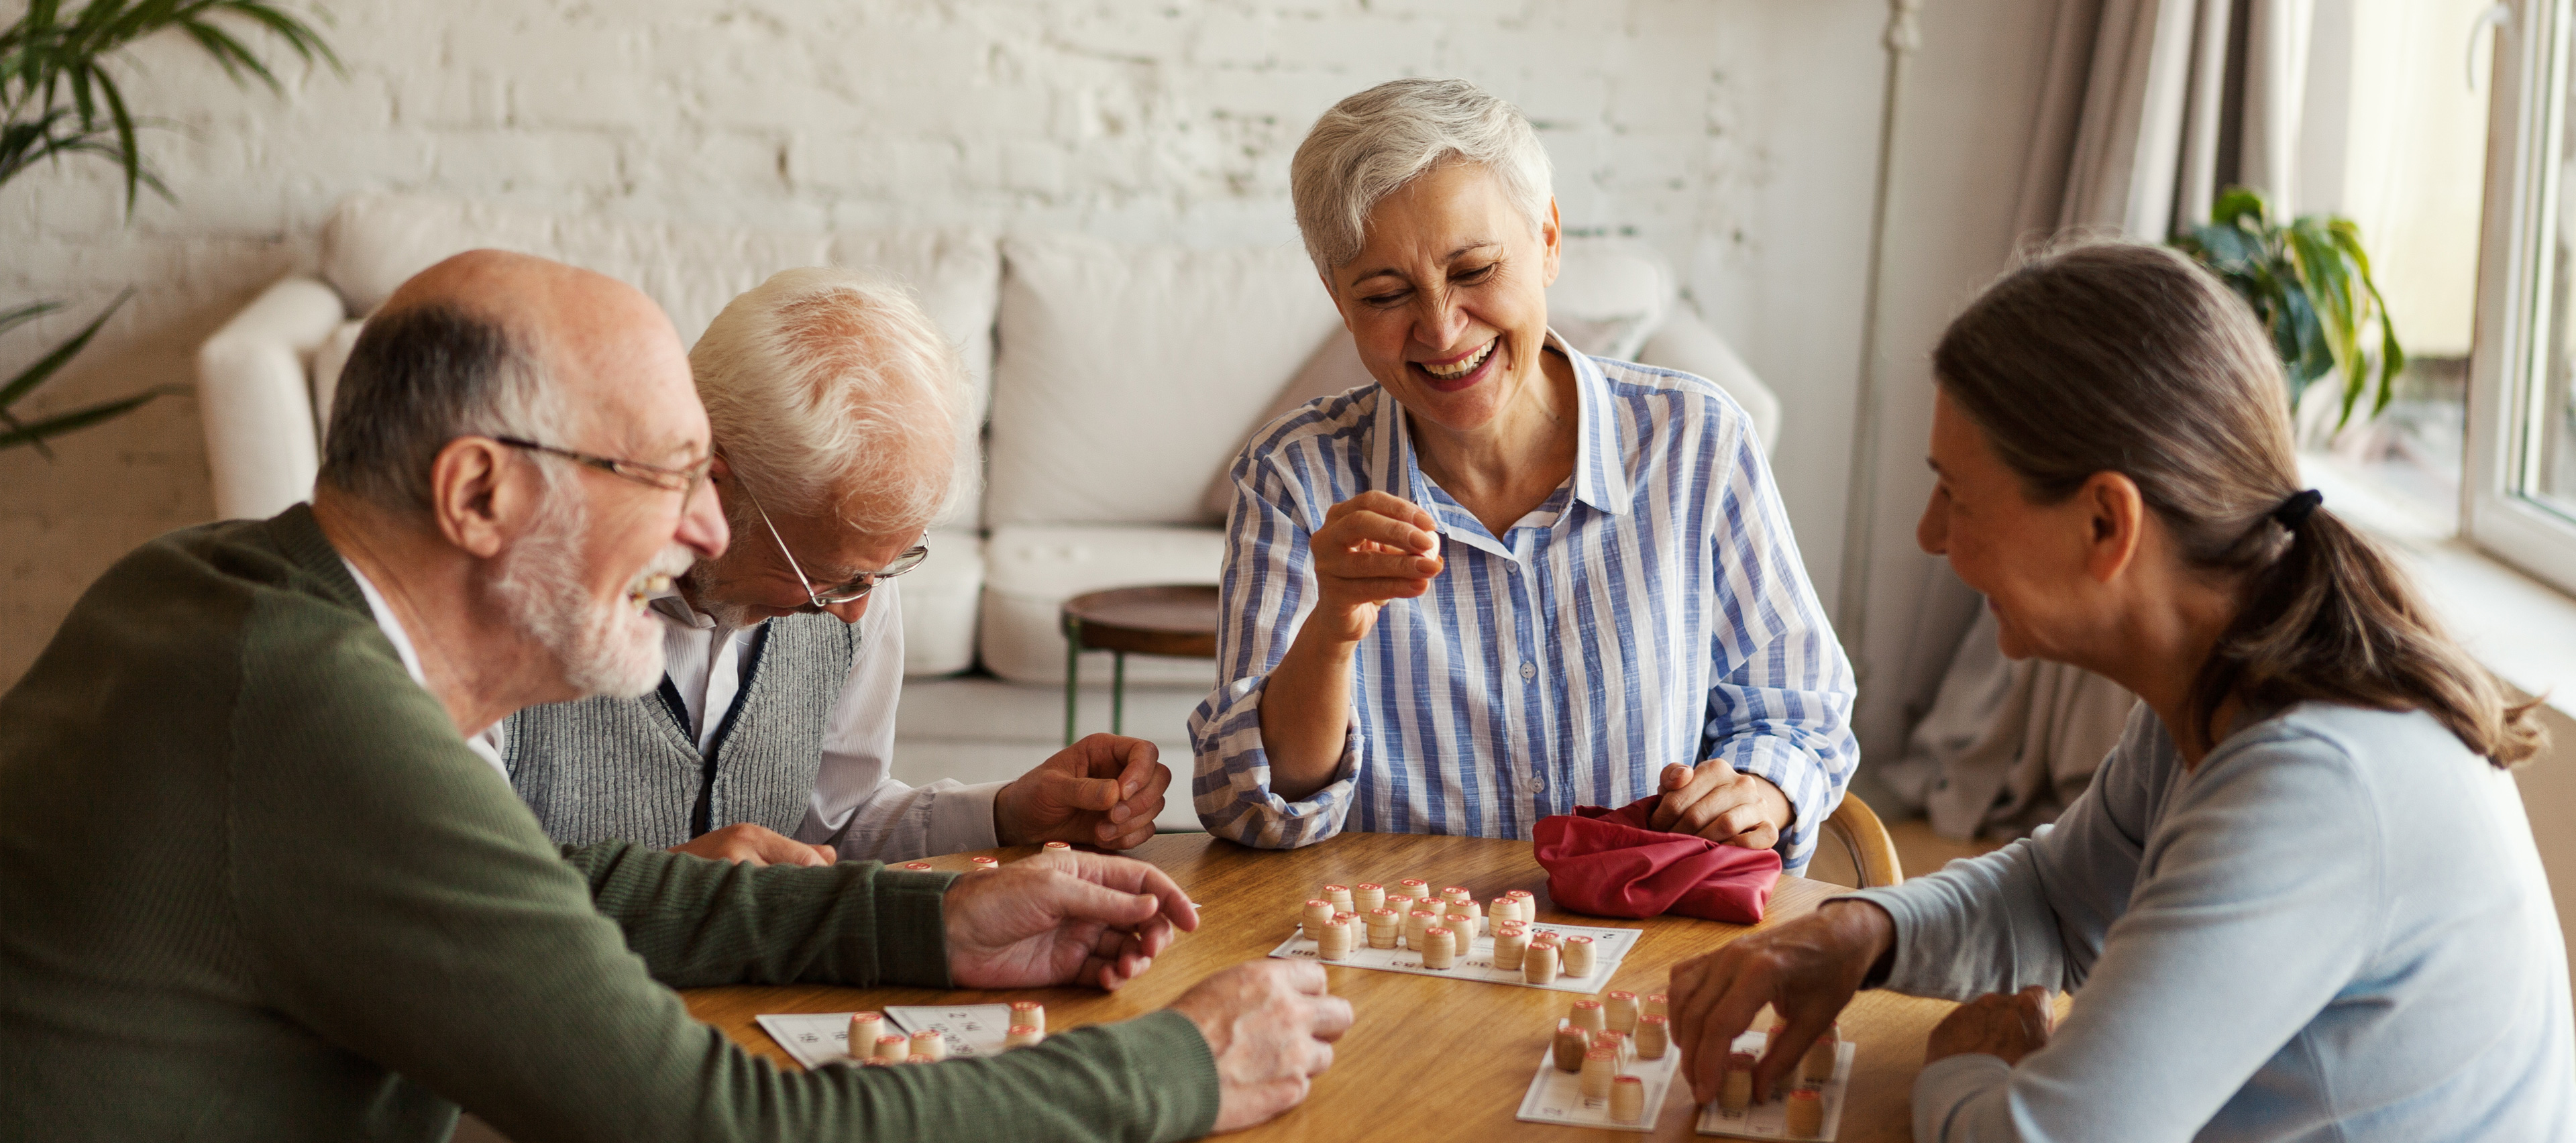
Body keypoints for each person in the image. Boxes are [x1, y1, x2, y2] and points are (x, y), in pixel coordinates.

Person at [0, 250, 1347, 1142]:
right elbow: (717, 1124)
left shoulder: (215, 593)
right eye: (663, 477)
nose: (703, 532)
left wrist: (928, 920)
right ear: (479, 493)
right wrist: (1174, 1066)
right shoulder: (319, 722)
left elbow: (552, 891)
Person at [1664, 242, 2570, 1142]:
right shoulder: (2216, 683)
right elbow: (2060, 901)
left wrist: (1965, 1067)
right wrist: (1862, 931)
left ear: (2106, 522)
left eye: (1958, 496)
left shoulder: (2315, 783)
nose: (1930, 535)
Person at [1190, 77, 1858, 868]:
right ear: (1340, 300)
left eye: (1473, 270)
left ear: (1547, 240)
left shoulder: (1696, 441)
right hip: (1401, 938)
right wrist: (1332, 630)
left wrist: (1757, 791)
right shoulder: (1292, 476)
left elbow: (1797, 713)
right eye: (1386, 294)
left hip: (1645, 928)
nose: (1442, 330)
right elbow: (1250, 806)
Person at [501, 267, 1169, 868]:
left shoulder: (857, 569)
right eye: (827, 576)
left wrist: (1006, 816)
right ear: (711, 480)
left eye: (885, 568)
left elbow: (835, 823)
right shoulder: (517, 592)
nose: (854, 611)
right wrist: (672, 885)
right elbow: (458, 892)